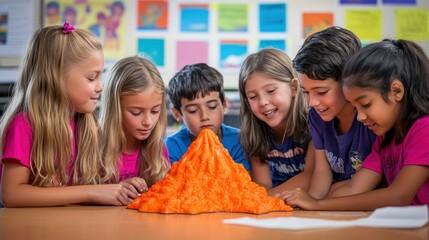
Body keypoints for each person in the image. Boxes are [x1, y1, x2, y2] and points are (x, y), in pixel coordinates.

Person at [280, 39, 429, 210]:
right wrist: (310, 206)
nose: (360, 117)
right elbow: (355, 187)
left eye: (365, 105)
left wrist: (317, 204)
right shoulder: (386, 138)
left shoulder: (424, 129)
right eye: (355, 107)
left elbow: (399, 196)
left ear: (396, 91)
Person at [0, 22, 132, 207]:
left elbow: (75, 191)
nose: (100, 87)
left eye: (100, 78)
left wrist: (117, 189)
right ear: (57, 77)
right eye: (91, 78)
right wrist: (91, 192)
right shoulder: (24, 125)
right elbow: (11, 195)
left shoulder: (84, 124)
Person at [292, 26, 376, 199]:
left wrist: (318, 203)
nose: (312, 102)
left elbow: (371, 184)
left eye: (321, 92)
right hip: (336, 204)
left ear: (348, 82)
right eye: (306, 92)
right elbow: (322, 172)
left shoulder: (371, 119)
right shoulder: (316, 116)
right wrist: (310, 202)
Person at [238, 48, 315, 196]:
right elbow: (262, 184)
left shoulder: (314, 123)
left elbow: (310, 175)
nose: (263, 102)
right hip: (278, 207)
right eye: (253, 97)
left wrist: (266, 200)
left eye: (271, 91)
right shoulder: (253, 133)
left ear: (293, 88)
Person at [99, 56, 170, 196]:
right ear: (115, 108)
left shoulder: (157, 150)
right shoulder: (92, 148)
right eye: (136, 113)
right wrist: (116, 190)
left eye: (155, 110)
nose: (148, 121)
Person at [165, 63, 251, 171]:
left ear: (224, 105)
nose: (204, 116)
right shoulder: (171, 147)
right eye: (193, 110)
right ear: (177, 114)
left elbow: (246, 183)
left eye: (212, 106)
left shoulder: (241, 141)